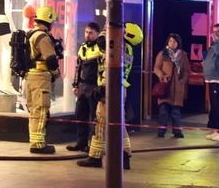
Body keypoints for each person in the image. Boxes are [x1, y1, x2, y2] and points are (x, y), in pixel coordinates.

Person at [77, 22, 139, 169]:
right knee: (119, 125)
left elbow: (109, 66)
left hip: (109, 89)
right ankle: (124, 156)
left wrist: (103, 87)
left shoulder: (117, 47)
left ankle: (95, 157)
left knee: (100, 123)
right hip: (118, 88)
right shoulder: (127, 49)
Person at [24, 6, 61, 154]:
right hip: (40, 76)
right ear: (49, 20)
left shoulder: (30, 34)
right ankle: (38, 144)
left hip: (30, 76)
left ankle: (35, 140)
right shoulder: (42, 37)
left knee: (34, 110)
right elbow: (51, 60)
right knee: (41, 109)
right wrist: (56, 73)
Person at [66, 22, 103, 153]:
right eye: (86, 32)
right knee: (80, 115)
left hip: (94, 87)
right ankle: (81, 143)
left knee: (94, 118)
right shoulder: (82, 48)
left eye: (91, 33)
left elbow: (103, 69)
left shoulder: (100, 48)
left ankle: (92, 145)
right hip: (83, 86)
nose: (87, 35)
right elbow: (78, 67)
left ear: (97, 34)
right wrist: (75, 85)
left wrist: (101, 87)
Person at [153, 33, 190, 138]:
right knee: (163, 111)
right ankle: (161, 131)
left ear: (178, 43)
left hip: (178, 87)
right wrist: (162, 76)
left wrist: (183, 80)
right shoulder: (163, 54)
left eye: (174, 41)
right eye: (170, 41)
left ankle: (177, 132)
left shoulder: (183, 55)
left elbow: (187, 70)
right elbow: (156, 68)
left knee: (176, 111)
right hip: (165, 85)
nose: (172, 43)